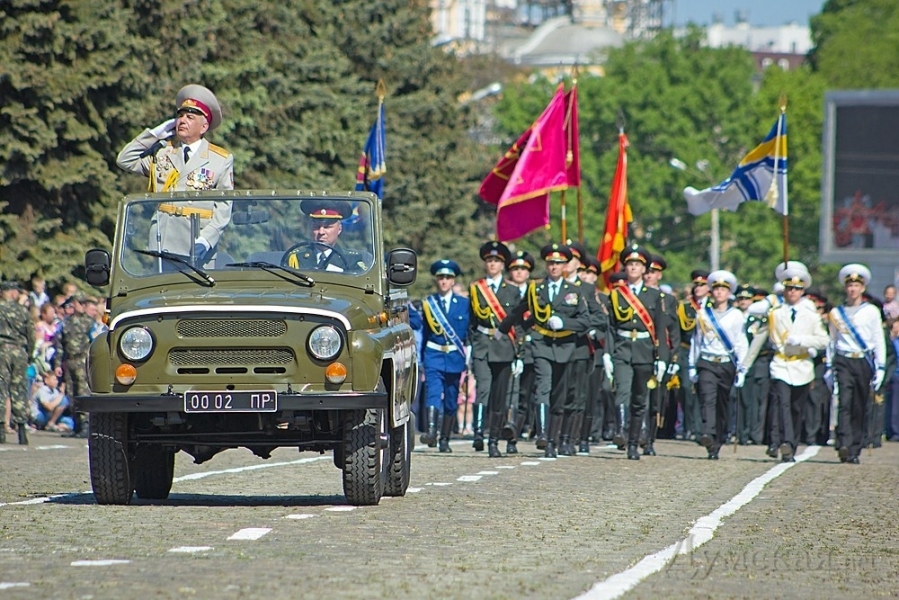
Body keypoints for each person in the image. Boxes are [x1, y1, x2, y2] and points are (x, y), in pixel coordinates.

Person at [117, 84, 233, 267]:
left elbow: (224, 208)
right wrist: (154, 134)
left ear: (204, 127)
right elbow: (125, 160)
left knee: (196, 296)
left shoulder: (219, 159)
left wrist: (206, 240)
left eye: (190, 117)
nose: (182, 121)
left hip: (197, 243)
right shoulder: (164, 152)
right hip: (163, 241)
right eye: (179, 116)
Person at [498, 243, 591, 458]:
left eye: (558, 263)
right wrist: (502, 330)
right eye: (550, 263)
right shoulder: (535, 289)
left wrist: (565, 322)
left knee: (560, 394)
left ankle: (554, 438)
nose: (554, 267)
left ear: (565, 266)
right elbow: (518, 311)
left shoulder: (575, 291)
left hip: (566, 347)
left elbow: (585, 321)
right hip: (541, 344)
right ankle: (543, 436)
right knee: (543, 388)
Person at [749, 264, 829, 462]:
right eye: (788, 288)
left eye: (796, 289)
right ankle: (786, 443)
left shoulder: (810, 314)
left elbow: (823, 340)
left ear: (802, 291)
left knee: (796, 408)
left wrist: (802, 341)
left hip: (801, 365)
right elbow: (753, 311)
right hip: (781, 364)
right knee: (782, 404)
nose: (792, 292)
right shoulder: (775, 311)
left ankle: (791, 444)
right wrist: (768, 299)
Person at [606, 246, 670, 460]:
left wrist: (662, 359)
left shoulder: (655, 296)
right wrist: (608, 353)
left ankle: (634, 443)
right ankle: (621, 432)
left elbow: (661, 329)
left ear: (644, 269)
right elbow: (610, 327)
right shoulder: (616, 294)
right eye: (630, 264)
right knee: (622, 391)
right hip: (623, 348)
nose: (633, 267)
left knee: (639, 399)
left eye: (638, 265)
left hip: (645, 351)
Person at [828, 264, 886, 464]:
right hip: (844, 359)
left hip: (863, 360)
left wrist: (881, 366)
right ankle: (843, 443)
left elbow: (878, 339)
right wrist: (829, 366)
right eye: (850, 285)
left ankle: (855, 448)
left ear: (862, 288)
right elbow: (832, 341)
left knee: (859, 404)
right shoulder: (836, 312)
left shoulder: (870, 311)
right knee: (845, 402)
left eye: (856, 285)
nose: (852, 289)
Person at [468, 241, 521, 457]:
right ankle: (479, 433)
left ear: (502, 265)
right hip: (482, 344)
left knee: (500, 396)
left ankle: (494, 440)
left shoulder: (513, 291)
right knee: (483, 389)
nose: (492, 264)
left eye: (496, 261)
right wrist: (469, 346)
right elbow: (471, 322)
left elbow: (517, 323)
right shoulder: (476, 288)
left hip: (504, 348)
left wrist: (520, 353)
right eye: (489, 261)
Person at [688, 270, 748, 459]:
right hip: (707, 361)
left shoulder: (737, 315)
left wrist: (742, 368)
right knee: (707, 398)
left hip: (726, 363)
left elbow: (740, 342)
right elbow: (696, 341)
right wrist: (692, 364)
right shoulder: (703, 315)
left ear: (729, 293)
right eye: (716, 289)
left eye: (723, 289)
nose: (719, 293)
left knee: (722, 403)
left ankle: (718, 440)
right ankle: (708, 433)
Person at [419, 260, 470, 453]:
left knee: (451, 399)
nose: (444, 281)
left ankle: (445, 438)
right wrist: (422, 358)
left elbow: (468, 333)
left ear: (453, 280)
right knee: (433, 392)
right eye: (441, 277)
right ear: (436, 279)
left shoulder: (464, 304)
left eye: (448, 278)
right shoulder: (428, 303)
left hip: (455, 357)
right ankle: (431, 432)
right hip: (433, 355)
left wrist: (469, 355)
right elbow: (423, 332)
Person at [641, 253, 680, 455]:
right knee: (638, 396)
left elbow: (673, 330)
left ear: (660, 276)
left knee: (656, 398)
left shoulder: (668, 300)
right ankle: (637, 432)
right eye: (646, 271)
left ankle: (649, 439)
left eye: (653, 272)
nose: (649, 275)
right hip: (640, 350)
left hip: (660, 353)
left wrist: (672, 357)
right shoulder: (636, 296)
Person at [504, 250, 536, 454]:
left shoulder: (536, 292)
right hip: (508, 348)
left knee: (525, 394)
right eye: (515, 268)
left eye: (523, 269)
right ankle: (507, 430)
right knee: (508, 394)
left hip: (532, 350)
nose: (519, 272)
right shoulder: (504, 292)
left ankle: (518, 430)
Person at [285, 200, 371, 272]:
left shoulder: (351, 261)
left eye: (327, 227)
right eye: (317, 227)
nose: (321, 232)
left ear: (339, 229)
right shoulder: (296, 258)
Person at [675, 270, 710, 442]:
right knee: (687, 390)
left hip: (706, 352)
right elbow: (678, 332)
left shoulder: (712, 306)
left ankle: (702, 429)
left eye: (702, 285)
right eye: (696, 284)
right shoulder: (685, 307)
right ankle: (690, 427)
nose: (698, 288)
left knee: (705, 391)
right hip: (686, 350)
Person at [0, 282, 36, 444]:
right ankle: (21, 429)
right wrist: (28, 353)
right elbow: (31, 334)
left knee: (1, 387)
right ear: (12, 293)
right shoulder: (22, 310)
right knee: (19, 389)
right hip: (19, 350)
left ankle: (1, 428)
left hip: (2, 350)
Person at [53, 295, 94, 438]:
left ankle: (85, 425)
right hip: (69, 362)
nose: (79, 306)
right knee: (71, 394)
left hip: (82, 361)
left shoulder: (90, 323)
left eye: (82, 303)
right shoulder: (66, 323)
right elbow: (59, 345)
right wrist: (58, 364)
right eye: (78, 303)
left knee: (83, 392)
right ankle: (76, 425)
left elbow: (95, 342)